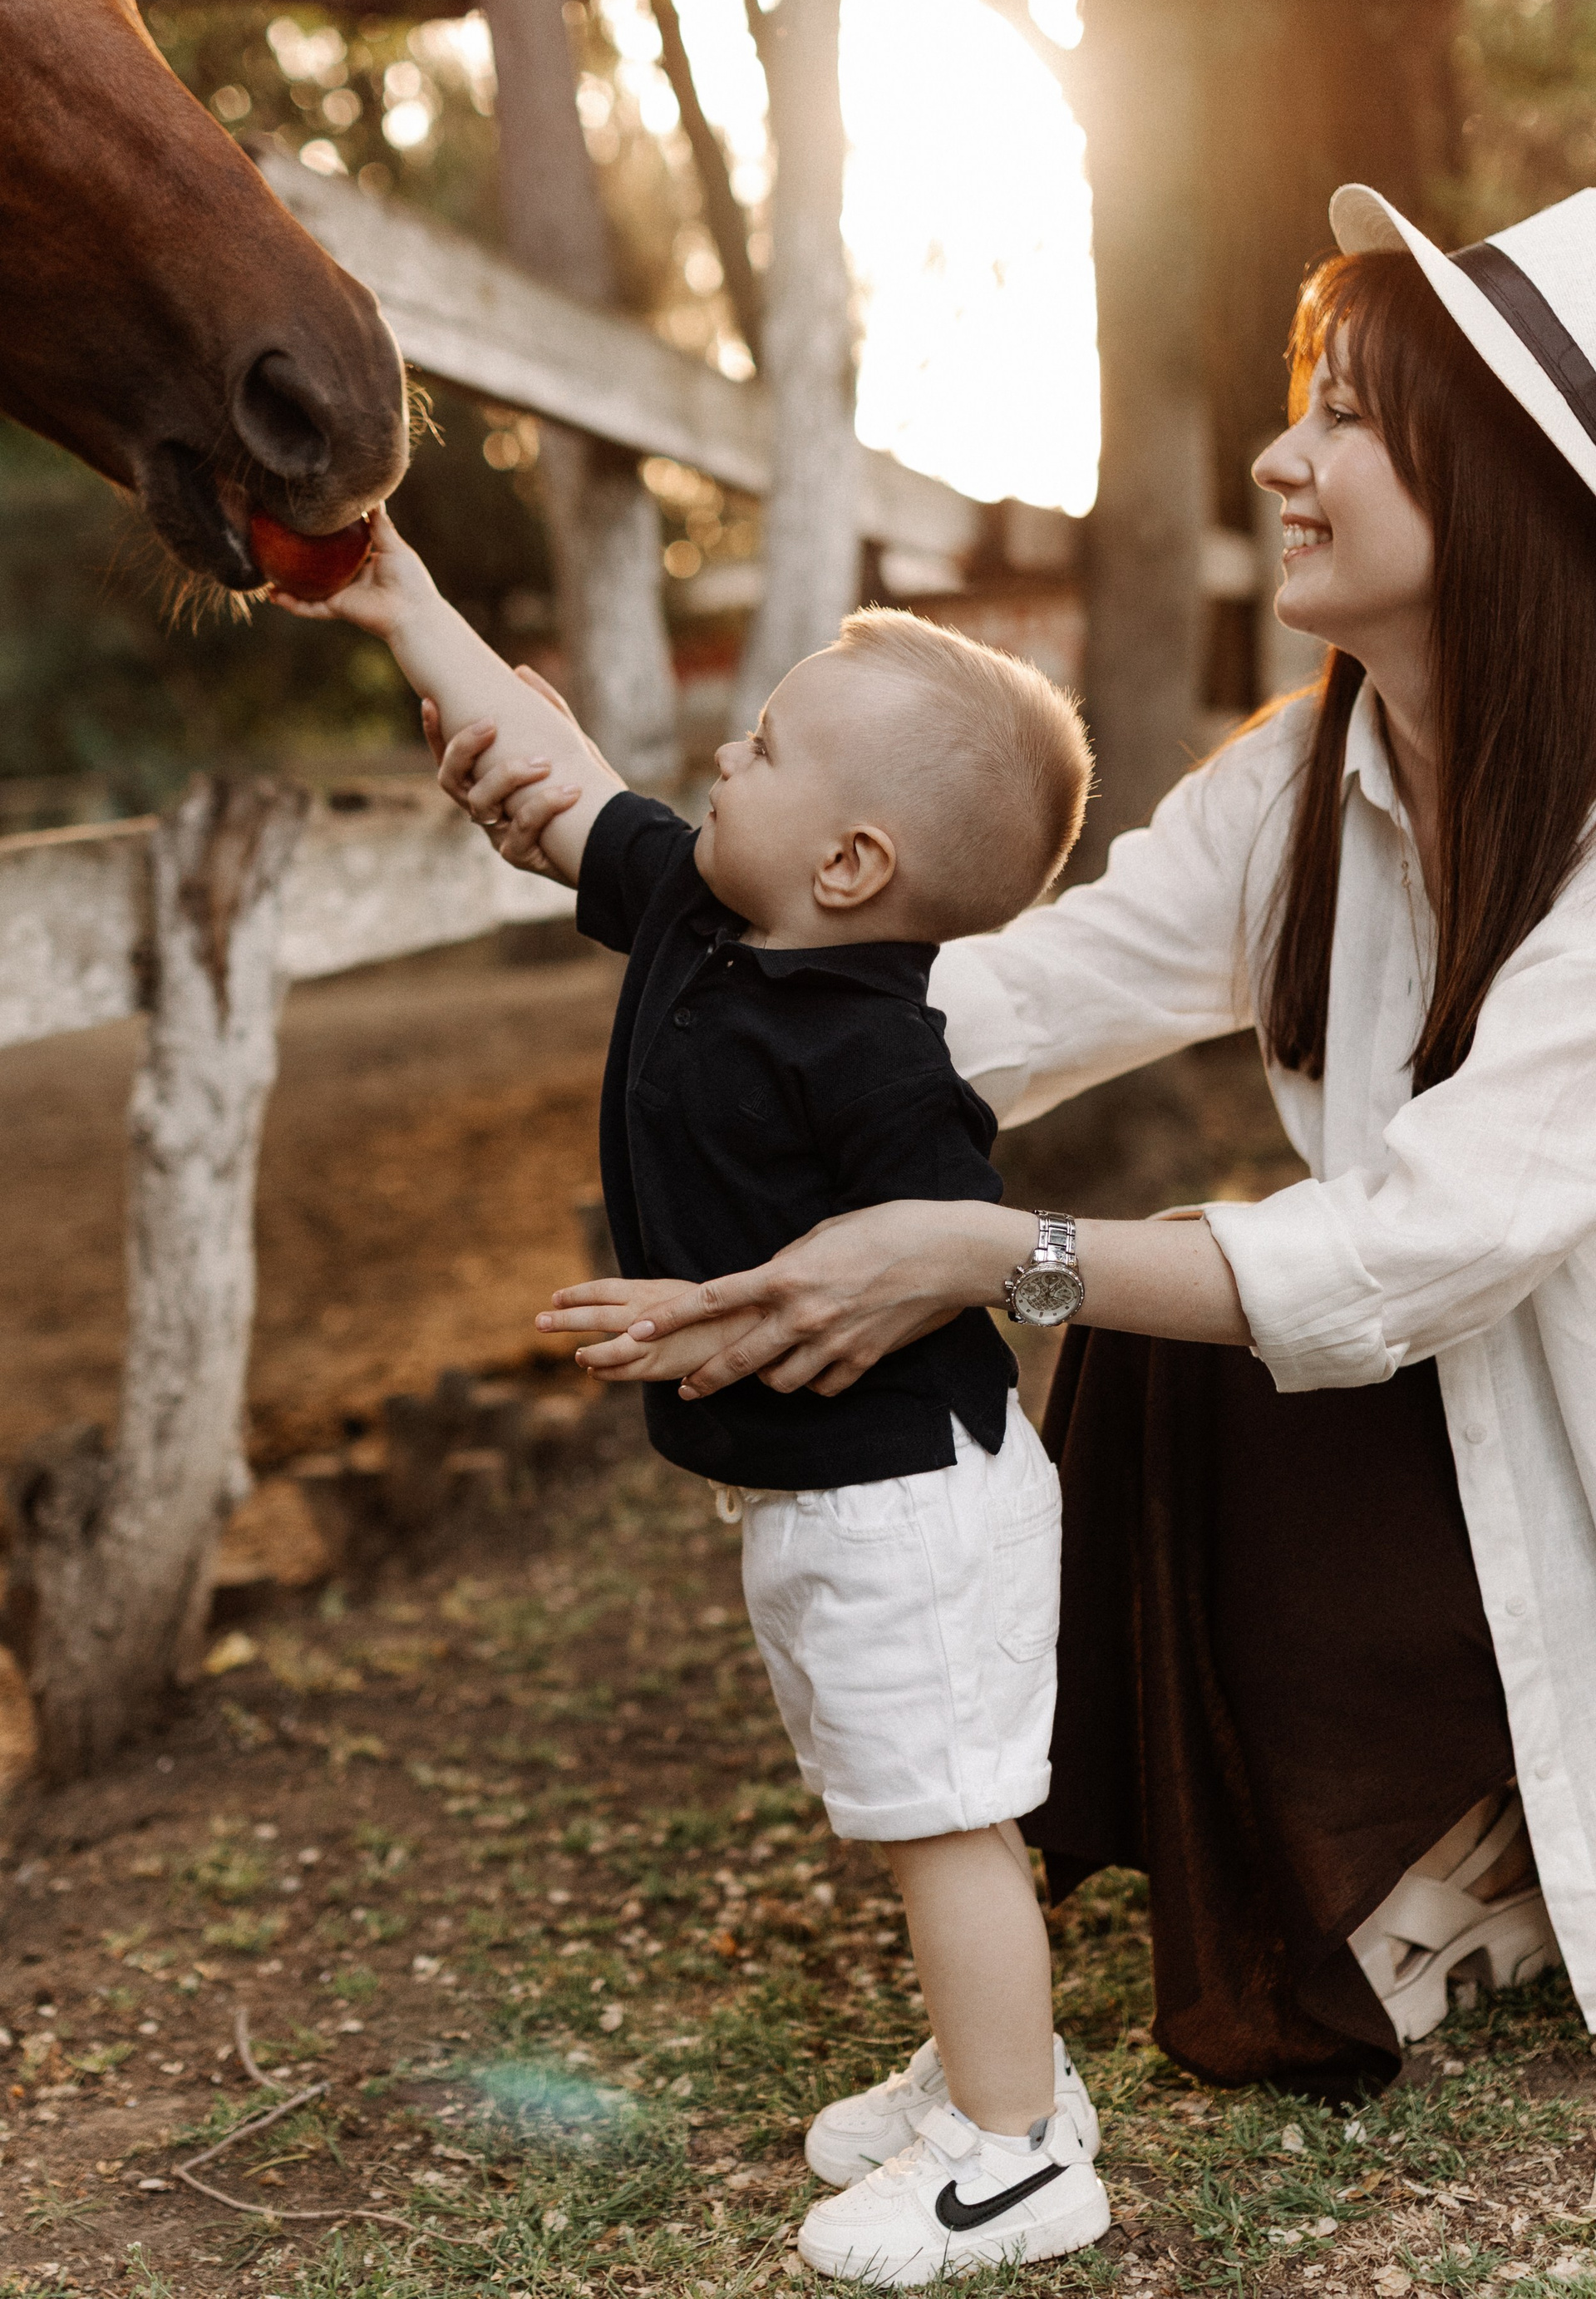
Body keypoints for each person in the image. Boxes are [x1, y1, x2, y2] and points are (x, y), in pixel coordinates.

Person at [446, 181, 1596, 2102]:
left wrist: (996, 1253)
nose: (1276, 460)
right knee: (1177, 1331)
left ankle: (1502, 1816)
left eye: (1343, 420)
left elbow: (1427, 1241)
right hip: (1468, 1396)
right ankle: (1448, 1818)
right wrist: (685, 897)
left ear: (1502, 497)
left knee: (1148, 1292)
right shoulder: (1307, 784)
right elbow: (1001, 1008)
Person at [272, 525, 1114, 2282]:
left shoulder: (883, 1060)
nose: (727, 752)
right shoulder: (700, 910)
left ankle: (1018, 2152)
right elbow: (557, 780)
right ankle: (994, 2068)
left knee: (944, 1819)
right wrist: (405, 597)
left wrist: (716, 1305)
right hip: (824, 1498)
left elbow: (931, 1261)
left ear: (853, 862)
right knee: (912, 1802)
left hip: (913, 1499)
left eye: (768, 747)